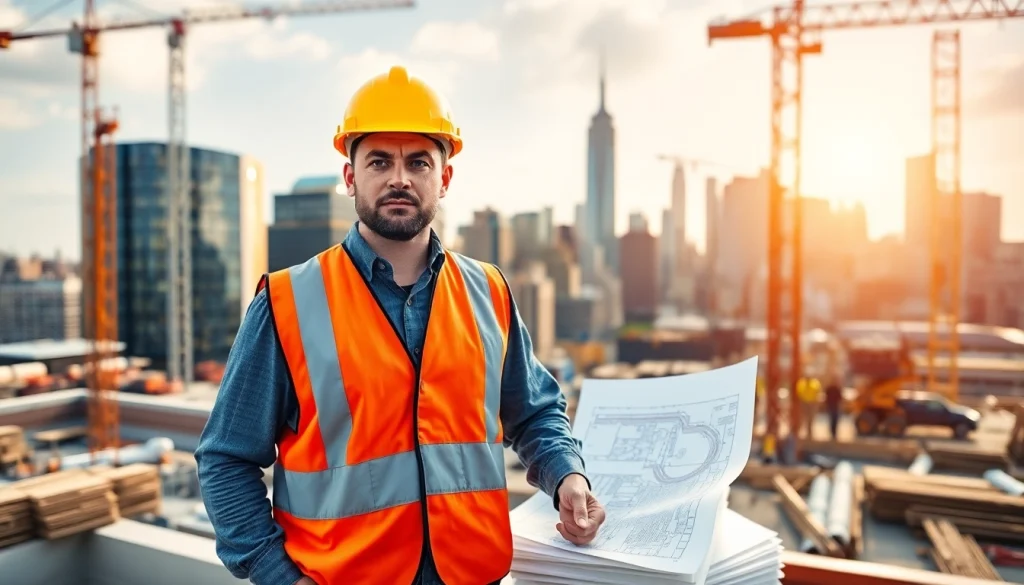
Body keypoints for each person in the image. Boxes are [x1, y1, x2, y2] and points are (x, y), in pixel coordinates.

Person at [194, 65, 606, 585]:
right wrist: (280, 576)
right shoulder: (285, 303)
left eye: (418, 162)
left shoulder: (489, 291)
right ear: (350, 177)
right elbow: (225, 461)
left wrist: (568, 476)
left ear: (445, 177)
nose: (399, 178)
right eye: (379, 161)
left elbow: (535, 413)